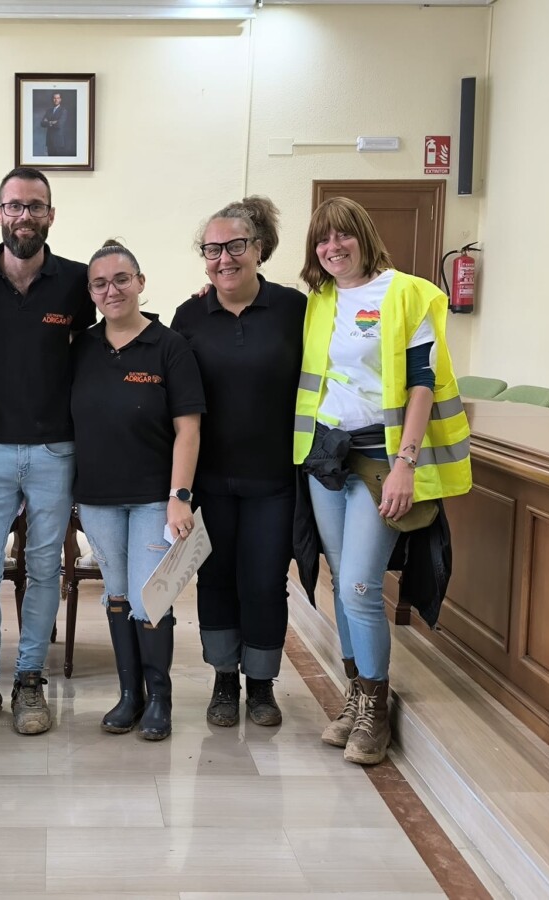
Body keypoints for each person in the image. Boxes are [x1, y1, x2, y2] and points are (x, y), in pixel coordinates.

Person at [294, 196, 471, 765]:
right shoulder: (320, 299)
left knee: (359, 587)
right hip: (327, 457)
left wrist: (406, 463)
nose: (333, 247)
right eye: (322, 239)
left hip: (381, 457)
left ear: (365, 236)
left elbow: (422, 384)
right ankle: (356, 695)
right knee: (340, 576)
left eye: (343, 235)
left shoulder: (408, 293)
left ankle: (375, 705)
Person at [0, 166, 95, 735]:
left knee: (43, 569)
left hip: (56, 449)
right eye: (15, 205)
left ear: (50, 215)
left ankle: (30, 679)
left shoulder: (76, 280)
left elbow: (102, 338)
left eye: (35, 206)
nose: (25, 215)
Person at [170, 197, 306, 729]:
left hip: (274, 479)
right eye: (212, 249)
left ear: (259, 249)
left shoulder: (294, 310)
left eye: (235, 246)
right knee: (216, 579)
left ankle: (263, 684)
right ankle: (225, 679)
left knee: (265, 582)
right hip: (210, 480)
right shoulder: (189, 316)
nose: (223, 258)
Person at [71, 240, 205, 741]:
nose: (112, 290)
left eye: (121, 279)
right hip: (97, 497)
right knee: (117, 594)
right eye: (100, 283)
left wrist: (179, 496)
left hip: (154, 497)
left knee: (151, 599)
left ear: (140, 282)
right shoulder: (80, 348)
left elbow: (188, 429)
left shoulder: (170, 346)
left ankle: (160, 699)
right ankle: (130, 696)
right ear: (91, 293)